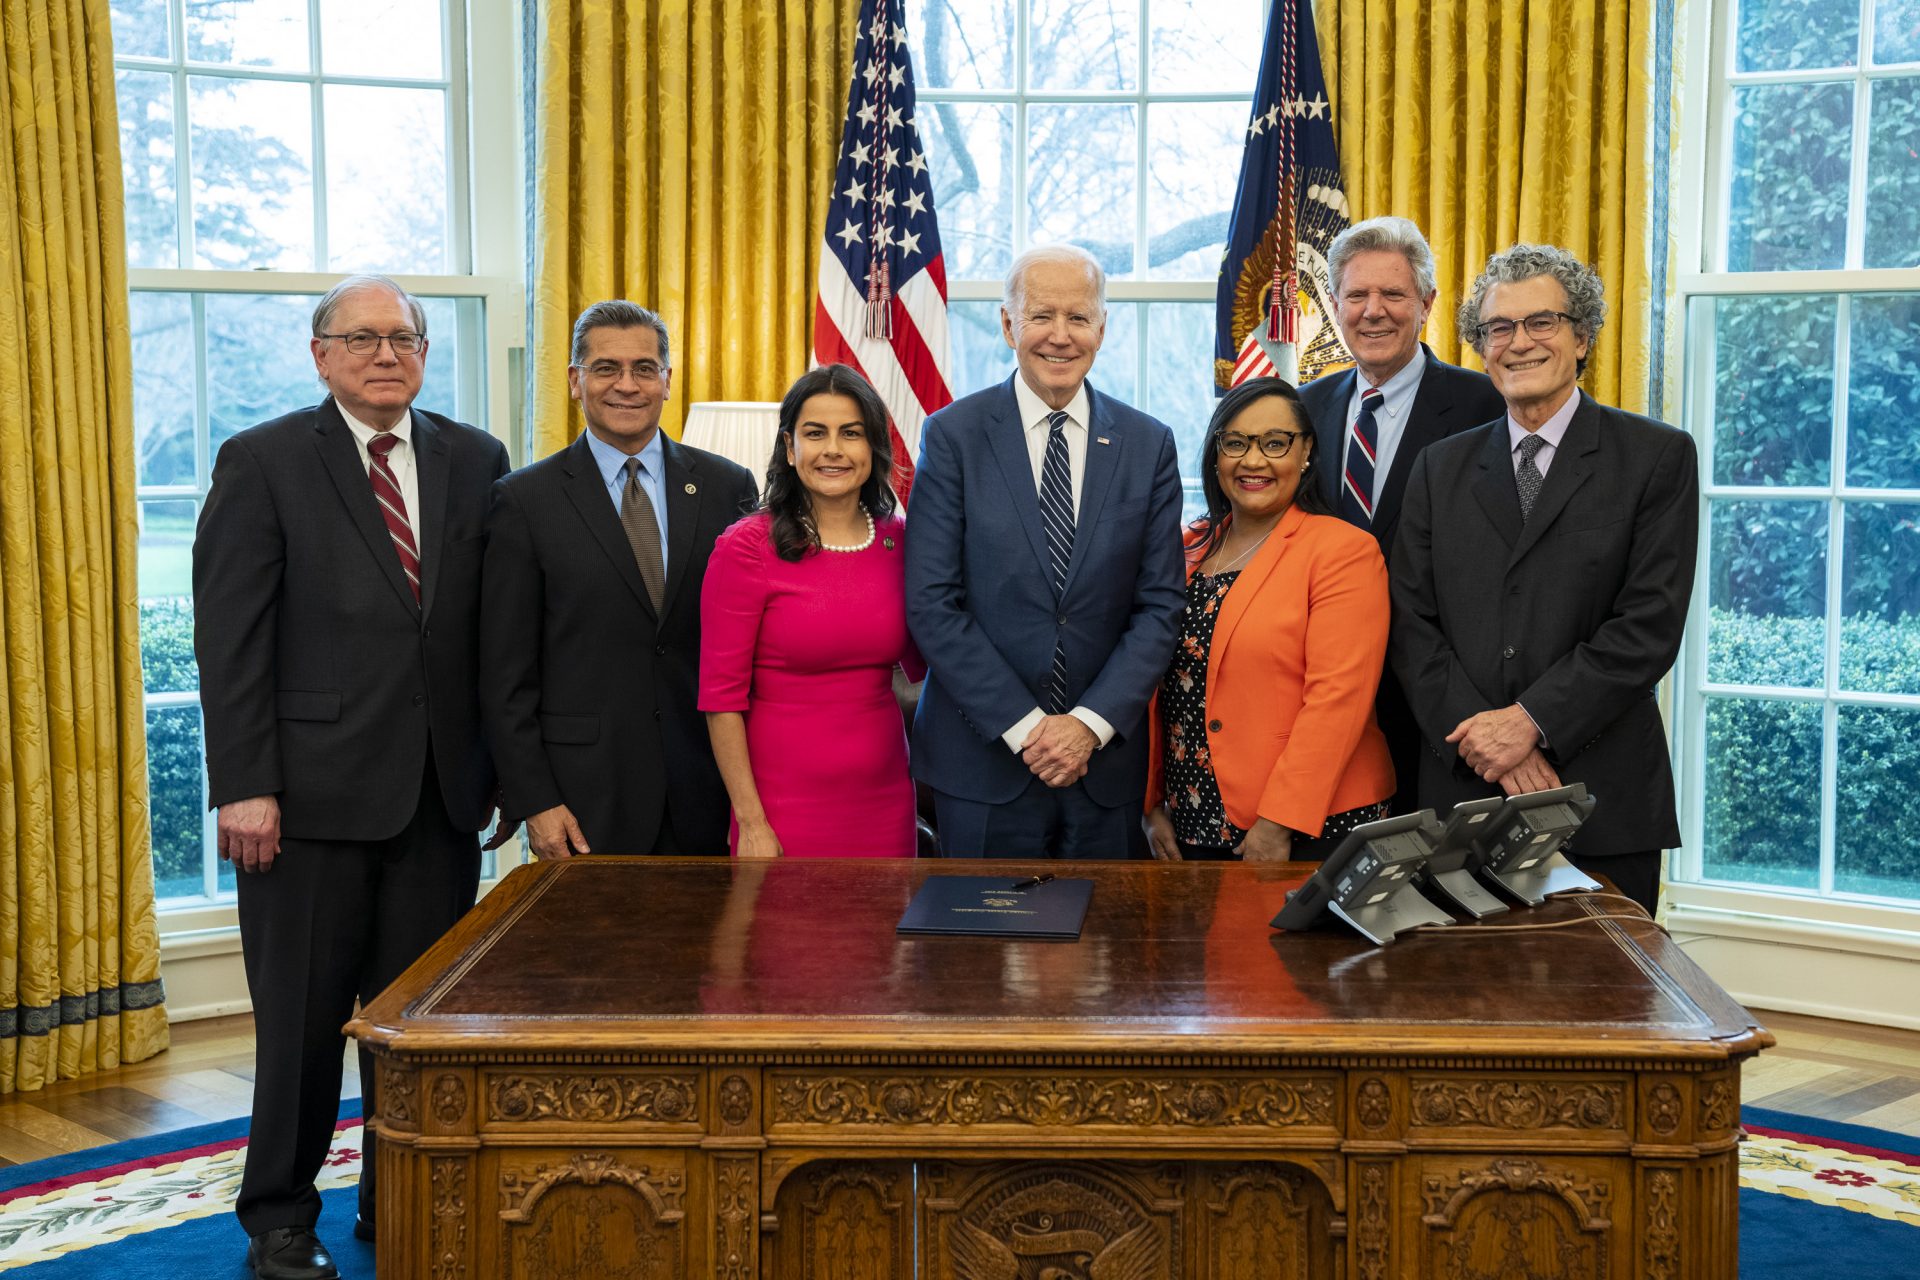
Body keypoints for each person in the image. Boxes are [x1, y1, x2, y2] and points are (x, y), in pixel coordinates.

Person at [193, 275, 512, 1280]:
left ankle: (396, 1192)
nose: (386, 354)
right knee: (299, 1024)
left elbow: (487, 635)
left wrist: (497, 767)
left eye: (404, 338)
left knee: (412, 1028)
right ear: (320, 352)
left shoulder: (475, 458)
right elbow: (230, 639)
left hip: (438, 800)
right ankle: (281, 1218)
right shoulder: (264, 460)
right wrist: (245, 782)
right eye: (362, 338)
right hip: (305, 804)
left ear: (424, 352)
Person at [1389, 243, 1699, 915]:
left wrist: (1532, 721)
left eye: (1543, 323)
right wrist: (1491, 743)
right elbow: (1410, 624)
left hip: (1598, 796)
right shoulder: (1439, 468)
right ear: (1480, 345)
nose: (1519, 343)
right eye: (1500, 327)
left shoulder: (1656, 457)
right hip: (1461, 792)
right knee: (1463, 1007)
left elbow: (1648, 626)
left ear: (1582, 336)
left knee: (1603, 1006)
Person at [906, 244, 1185, 858]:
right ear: (1008, 324)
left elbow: (1161, 606)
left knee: (1103, 949)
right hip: (980, 763)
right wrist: (1030, 730)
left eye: (1079, 318)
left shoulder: (1148, 444)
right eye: (1041, 315)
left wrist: (1087, 726)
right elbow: (932, 601)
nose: (1060, 336)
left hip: (1103, 769)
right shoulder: (953, 436)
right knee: (980, 950)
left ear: (1102, 329)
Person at [480, 301, 756, 858]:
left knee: (715, 948)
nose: (626, 385)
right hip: (583, 799)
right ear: (576, 382)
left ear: (668, 380)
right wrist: (536, 799)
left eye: (644, 368)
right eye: (606, 368)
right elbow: (504, 674)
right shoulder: (523, 500)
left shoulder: (729, 487)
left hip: (709, 787)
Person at [1300, 215, 1507, 814]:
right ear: (1334, 303)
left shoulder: (1486, 407)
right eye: (1357, 295)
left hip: (1444, 703)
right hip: (1327, 697)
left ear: (1427, 303)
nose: (1374, 311)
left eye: (1393, 294)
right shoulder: (1302, 410)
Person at [1143, 378, 1396, 863]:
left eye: (1275, 443)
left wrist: (1280, 819)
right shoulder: (1186, 546)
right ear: (1216, 455)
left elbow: (1337, 700)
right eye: (1235, 443)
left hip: (1309, 822)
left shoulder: (1343, 551)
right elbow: (1156, 689)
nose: (1253, 461)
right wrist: (1151, 803)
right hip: (1190, 818)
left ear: (1305, 455)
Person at [699, 365, 925, 857]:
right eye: (815, 433)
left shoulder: (900, 540)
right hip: (780, 808)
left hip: (885, 802)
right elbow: (720, 701)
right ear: (789, 448)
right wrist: (751, 822)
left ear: (874, 448)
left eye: (852, 433)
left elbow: (928, 662)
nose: (834, 451)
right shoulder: (745, 548)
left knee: (884, 934)